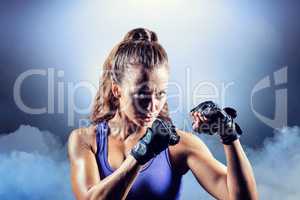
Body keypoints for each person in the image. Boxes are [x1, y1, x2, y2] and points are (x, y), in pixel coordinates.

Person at [68, 28, 258, 200]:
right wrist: (141, 154)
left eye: (160, 94)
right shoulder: (85, 140)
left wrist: (229, 135)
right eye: (142, 94)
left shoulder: (179, 145)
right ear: (117, 91)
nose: (152, 105)